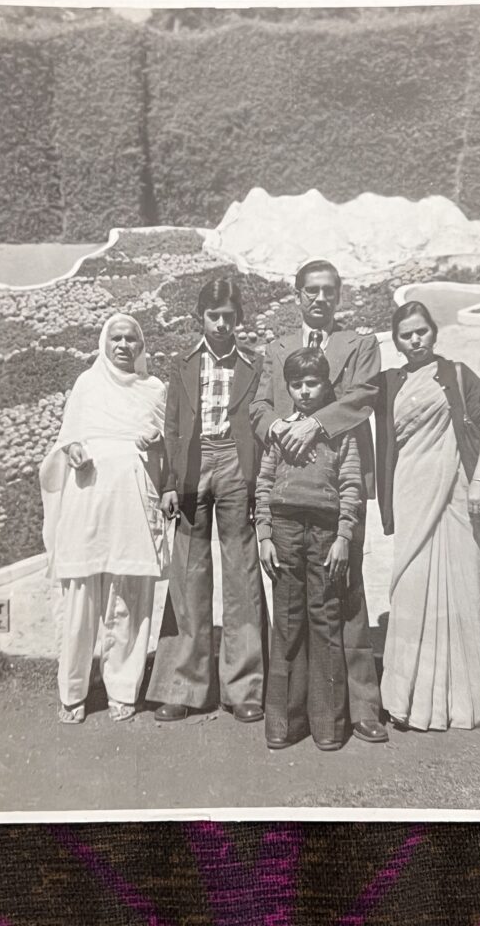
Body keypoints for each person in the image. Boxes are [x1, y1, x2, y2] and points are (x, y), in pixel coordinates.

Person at [250, 257, 387, 744]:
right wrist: (276, 428)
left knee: (343, 592)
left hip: (339, 481)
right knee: (292, 602)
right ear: (297, 294)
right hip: (286, 490)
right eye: (311, 289)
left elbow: (364, 396)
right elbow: (260, 404)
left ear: (339, 295)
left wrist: (316, 423)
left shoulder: (360, 344)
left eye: (329, 290)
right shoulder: (278, 347)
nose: (320, 298)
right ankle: (304, 710)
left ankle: (362, 707)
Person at [375, 301, 480, 731]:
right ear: (396, 340)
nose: (415, 340)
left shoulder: (457, 373)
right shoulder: (389, 383)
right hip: (411, 490)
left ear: (434, 332)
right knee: (411, 587)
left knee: (463, 588)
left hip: (458, 494)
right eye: (406, 334)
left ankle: (463, 701)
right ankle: (406, 702)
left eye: (422, 332)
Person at [146, 279, 267, 724]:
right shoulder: (183, 364)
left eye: (229, 316)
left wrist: (259, 485)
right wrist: (170, 483)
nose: (221, 323)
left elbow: (257, 423)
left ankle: (244, 688)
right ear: (201, 317)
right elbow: (173, 426)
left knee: (242, 573)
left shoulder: (252, 365)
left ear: (238, 319)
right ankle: (183, 686)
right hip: (194, 467)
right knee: (188, 575)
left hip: (237, 464)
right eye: (213, 315)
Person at [40, 314, 168, 725]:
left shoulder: (154, 389)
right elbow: (69, 437)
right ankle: (72, 691)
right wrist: (74, 449)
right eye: (116, 338)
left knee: (129, 592)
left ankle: (123, 687)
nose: (124, 345)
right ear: (104, 342)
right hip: (88, 493)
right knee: (81, 592)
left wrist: (156, 442)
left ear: (141, 345)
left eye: (132, 339)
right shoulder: (87, 384)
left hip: (133, 497)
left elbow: (166, 448)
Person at [256, 348, 362, 751]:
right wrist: (264, 535)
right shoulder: (280, 431)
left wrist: (343, 537)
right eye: (296, 384)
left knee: (325, 619)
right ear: (287, 388)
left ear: (326, 385)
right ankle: (283, 721)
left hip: (324, 530)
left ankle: (328, 724)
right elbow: (264, 483)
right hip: (283, 528)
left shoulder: (340, 430)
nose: (304, 390)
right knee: (286, 620)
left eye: (312, 382)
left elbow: (351, 484)